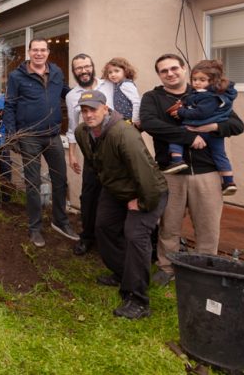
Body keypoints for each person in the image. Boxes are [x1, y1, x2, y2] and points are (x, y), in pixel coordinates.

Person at [140, 53, 244, 286]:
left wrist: (212, 126)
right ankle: (167, 268)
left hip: (206, 171)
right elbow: (150, 124)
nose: (170, 73)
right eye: (164, 70)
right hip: (171, 171)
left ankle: (205, 270)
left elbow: (237, 124)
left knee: (208, 225)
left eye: (174, 68)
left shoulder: (209, 92)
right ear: (159, 75)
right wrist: (189, 137)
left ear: (184, 69)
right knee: (169, 225)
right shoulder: (153, 98)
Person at [75, 90, 168, 319]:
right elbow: (96, 162)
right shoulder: (82, 133)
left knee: (135, 235)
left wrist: (143, 202)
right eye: (84, 110)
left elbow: (144, 171)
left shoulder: (124, 133)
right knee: (103, 227)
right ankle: (122, 273)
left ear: (106, 109)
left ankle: (138, 300)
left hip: (148, 190)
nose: (88, 115)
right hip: (116, 190)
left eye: (93, 109)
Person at [2, 37, 78, 247]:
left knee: (60, 180)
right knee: (33, 184)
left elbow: (63, 90)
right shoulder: (17, 76)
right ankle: (35, 228)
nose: (39, 54)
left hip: (53, 135)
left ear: (48, 52)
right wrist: (11, 135)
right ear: (29, 52)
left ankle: (60, 221)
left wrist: (83, 94)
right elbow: (9, 106)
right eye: (35, 50)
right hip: (29, 136)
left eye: (42, 50)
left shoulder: (56, 72)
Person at [163, 59, 238, 195]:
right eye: (195, 79)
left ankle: (177, 160)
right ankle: (228, 181)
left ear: (212, 81)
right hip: (211, 134)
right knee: (219, 154)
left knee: (177, 137)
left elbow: (201, 112)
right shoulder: (202, 94)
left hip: (204, 130)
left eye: (202, 80)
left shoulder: (210, 96)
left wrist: (181, 112)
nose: (197, 82)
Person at [65, 53, 113, 256]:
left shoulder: (110, 85)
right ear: (74, 71)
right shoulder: (71, 95)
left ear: (93, 66)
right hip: (91, 153)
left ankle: (110, 239)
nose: (83, 70)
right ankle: (87, 237)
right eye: (78, 68)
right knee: (89, 197)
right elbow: (73, 127)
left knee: (112, 195)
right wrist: (72, 155)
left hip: (114, 150)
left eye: (86, 66)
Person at [102, 57, 141, 126]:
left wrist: (135, 120)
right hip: (122, 121)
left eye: (116, 71)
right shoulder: (117, 85)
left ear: (125, 71)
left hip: (130, 121)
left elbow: (136, 102)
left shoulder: (126, 84)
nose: (113, 74)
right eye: (110, 72)